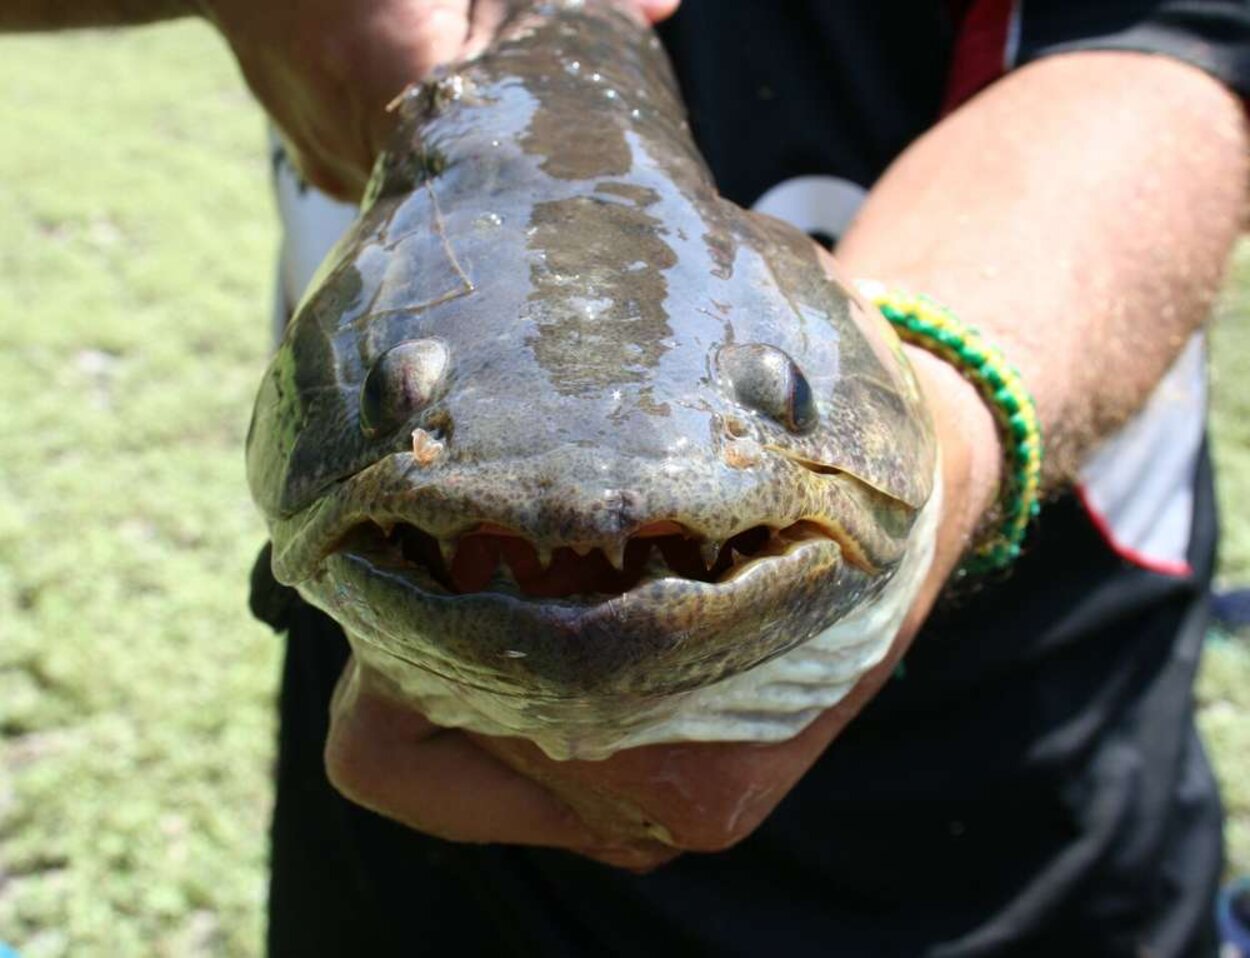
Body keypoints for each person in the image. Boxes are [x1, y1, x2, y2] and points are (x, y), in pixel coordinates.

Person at [7, 0, 1250, 953]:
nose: (591, 512)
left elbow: (1167, 43)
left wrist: (951, 418)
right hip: (402, 812)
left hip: (999, 821)